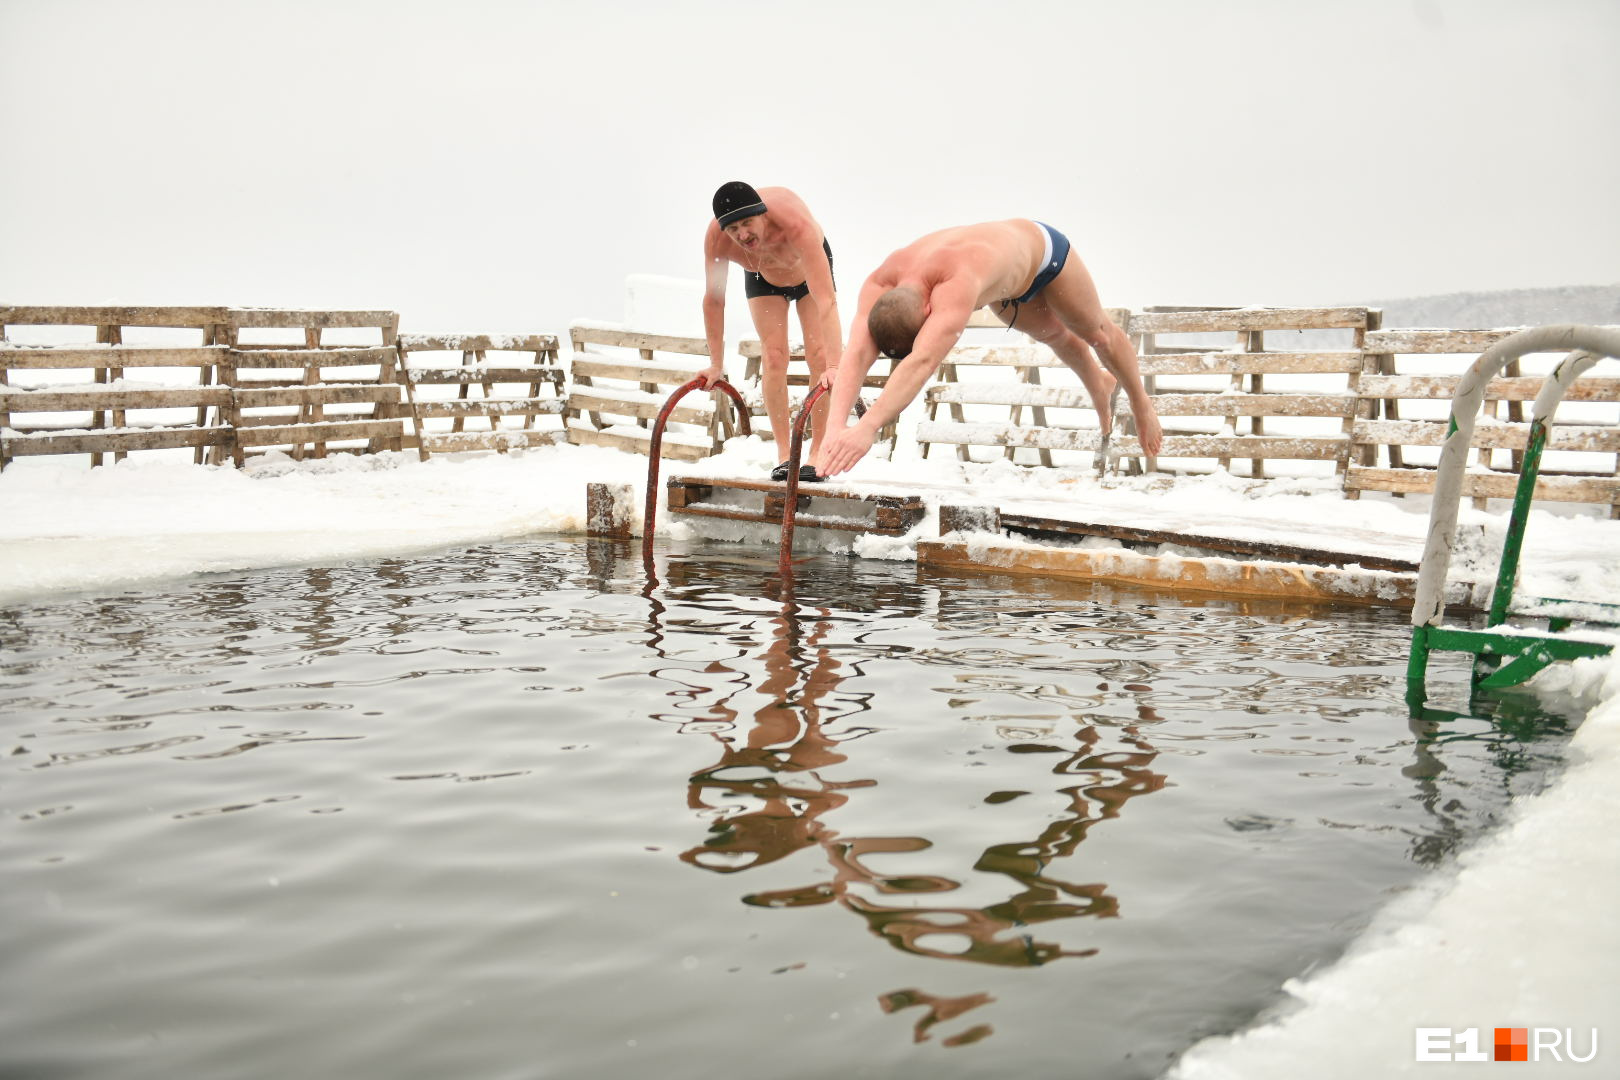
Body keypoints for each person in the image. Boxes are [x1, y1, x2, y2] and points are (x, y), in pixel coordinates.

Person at [815, 219, 1162, 477]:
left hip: (1044, 253)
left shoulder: (955, 284)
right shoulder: (879, 284)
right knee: (1055, 336)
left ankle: (1140, 401)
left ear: (928, 311)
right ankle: (1099, 384)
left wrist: (865, 428)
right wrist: (834, 429)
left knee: (1097, 332)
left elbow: (921, 361)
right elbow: (857, 355)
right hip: (1003, 280)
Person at [701, 182, 842, 482]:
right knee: (775, 357)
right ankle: (784, 455)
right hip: (762, 277)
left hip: (809, 279)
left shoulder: (795, 226)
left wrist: (834, 365)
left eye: (747, 223)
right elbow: (714, 300)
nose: (742, 235)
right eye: (733, 229)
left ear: (762, 215)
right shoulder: (717, 240)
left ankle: (817, 453)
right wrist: (715, 364)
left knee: (818, 355)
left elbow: (827, 300)